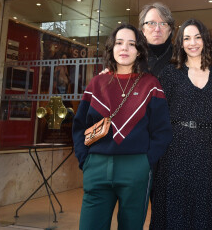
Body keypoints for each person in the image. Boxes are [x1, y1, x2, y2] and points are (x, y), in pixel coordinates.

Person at [72, 24, 173, 230]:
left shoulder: (151, 84)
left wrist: (146, 162)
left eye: (131, 44)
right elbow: (80, 125)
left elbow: (162, 130)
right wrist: (86, 160)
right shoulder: (96, 83)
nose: (124, 48)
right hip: (97, 166)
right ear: (112, 48)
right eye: (119, 43)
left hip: (136, 168)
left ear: (139, 51)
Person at [150, 19, 212, 230]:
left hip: (209, 151)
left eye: (197, 37)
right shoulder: (169, 74)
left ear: (205, 40)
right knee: (174, 208)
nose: (192, 43)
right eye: (186, 38)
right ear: (180, 43)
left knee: (206, 208)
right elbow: (158, 115)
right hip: (175, 149)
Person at [139, 3, 175, 77]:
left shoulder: (181, 57)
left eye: (163, 24)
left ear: (170, 30)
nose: (157, 29)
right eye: (151, 23)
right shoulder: (133, 57)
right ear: (143, 30)